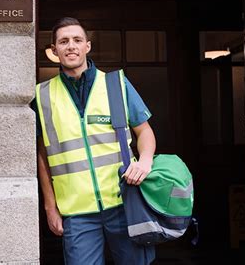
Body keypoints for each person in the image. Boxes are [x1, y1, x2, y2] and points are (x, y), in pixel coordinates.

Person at [33, 17, 156, 265]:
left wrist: (144, 161)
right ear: (54, 50)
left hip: (124, 201)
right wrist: (50, 207)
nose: (71, 46)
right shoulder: (42, 95)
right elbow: (42, 155)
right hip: (77, 212)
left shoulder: (115, 84)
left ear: (87, 46)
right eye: (63, 41)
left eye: (77, 40)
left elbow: (145, 132)